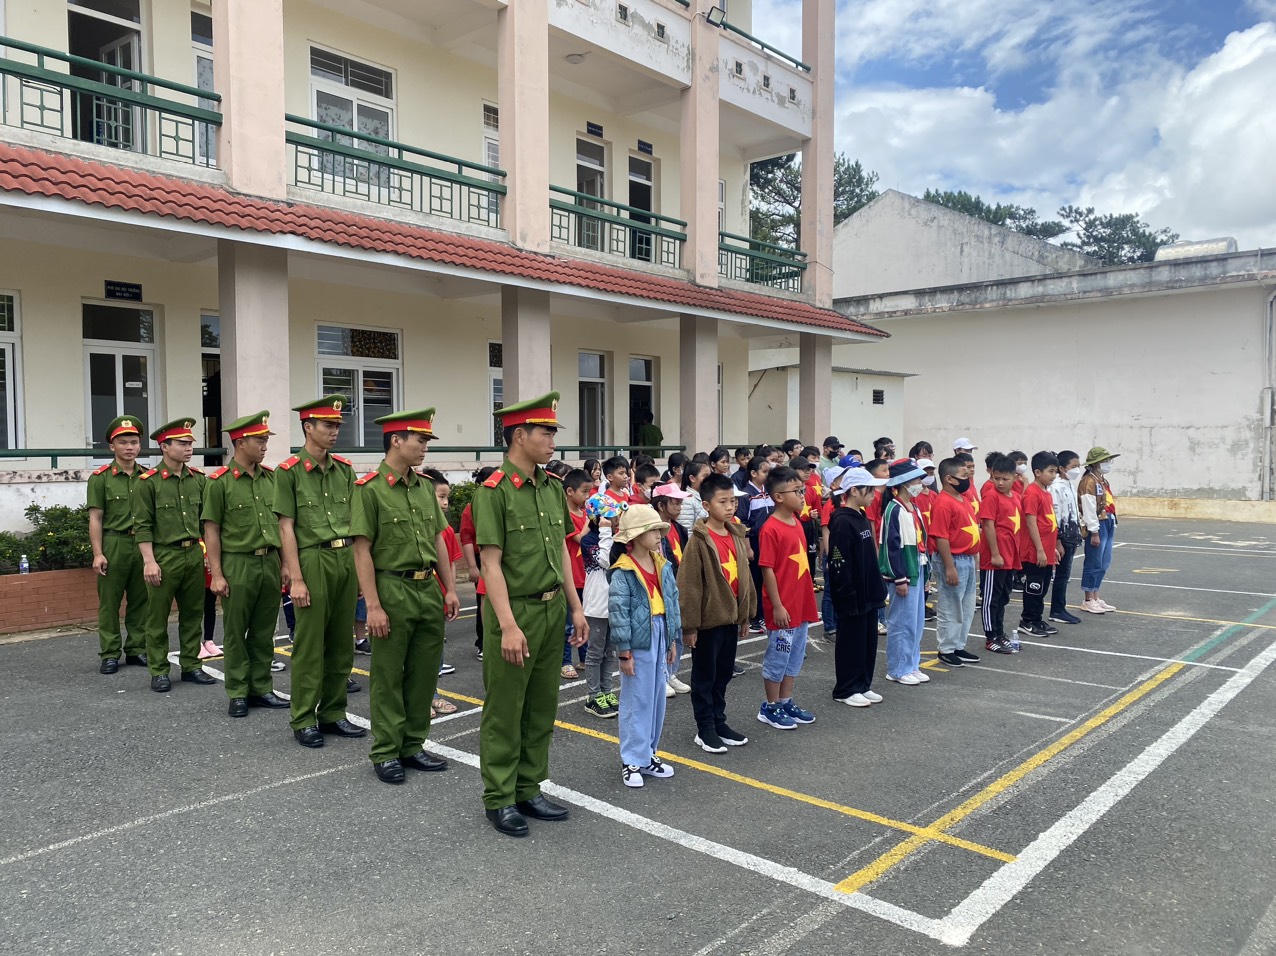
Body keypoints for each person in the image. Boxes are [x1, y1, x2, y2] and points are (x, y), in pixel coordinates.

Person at [474, 392, 588, 838]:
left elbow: (561, 547)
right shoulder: (494, 492)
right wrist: (505, 625)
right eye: (546, 432)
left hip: (551, 606)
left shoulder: (551, 487)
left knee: (542, 706)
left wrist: (575, 606)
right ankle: (500, 797)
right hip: (515, 609)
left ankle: (529, 786)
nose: (553, 440)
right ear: (519, 435)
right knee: (506, 709)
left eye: (553, 432)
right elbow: (489, 563)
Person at [351, 409, 460, 785]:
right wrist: (373, 606)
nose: (424, 448)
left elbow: (438, 541)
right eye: (420, 440)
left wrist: (448, 588)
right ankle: (386, 750)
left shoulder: (424, 487)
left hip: (428, 586)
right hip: (392, 589)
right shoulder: (370, 490)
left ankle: (413, 744)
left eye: (426, 441)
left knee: (424, 672)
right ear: (396, 440)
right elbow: (361, 550)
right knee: (388, 674)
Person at [274, 395, 365, 749]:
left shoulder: (344, 469)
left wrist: (359, 573)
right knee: (310, 644)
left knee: (342, 643)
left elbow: (356, 524)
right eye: (328, 425)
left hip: (344, 559)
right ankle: (303, 718)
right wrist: (295, 577)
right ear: (308, 427)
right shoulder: (289, 472)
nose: (334, 431)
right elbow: (286, 527)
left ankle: (333, 712)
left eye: (338, 426)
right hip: (312, 559)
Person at [201, 410, 288, 718]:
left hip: (269, 561)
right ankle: (238, 691)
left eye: (266, 440)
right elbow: (211, 530)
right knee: (237, 631)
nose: (265, 446)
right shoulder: (219, 483)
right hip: (238, 563)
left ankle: (262, 688)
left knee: (265, 631)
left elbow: (281, 523)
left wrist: (286, 564)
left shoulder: (271, 478)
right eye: (260, 440)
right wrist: (217, 574)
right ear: (240, 442)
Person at [133, 417, 214, 693]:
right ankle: (159, 670)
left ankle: (192, 665)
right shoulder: (148, 483)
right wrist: (149, 561)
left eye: (190, 443)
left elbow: (207, 521)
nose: (189, 448)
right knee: (157, 616)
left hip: (193, 553)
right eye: (182, 443)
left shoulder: (198, 480)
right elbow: (142, 525)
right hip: (164, 556)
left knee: (193, 613)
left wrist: (208, 554)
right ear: (164, 447)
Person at [678, 472, 755, 754]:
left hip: (730, 619)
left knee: (723, 673)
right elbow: (689, 585)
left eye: (732, 501)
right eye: (723, 501)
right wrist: (690, 626)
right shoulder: (699, 539)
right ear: (706, 505)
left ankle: (719, 721)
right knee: (704, 676)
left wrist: (744, 615)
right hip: (708, 622)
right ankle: (705, 728)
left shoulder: (735, 533)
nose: (730, 506)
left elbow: (745, 577)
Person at [609, 504, 680, 788]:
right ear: (636, 536)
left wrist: (672, 638)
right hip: (639, 640)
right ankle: (632, 760)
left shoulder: (662, 563)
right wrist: (624, 652)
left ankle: (648, 754)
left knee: (657, 699)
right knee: (636, 700)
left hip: (660, 632)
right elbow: (618, 613)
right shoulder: (623, 571)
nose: (659, 534)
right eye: (652, 530)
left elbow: (672, 602)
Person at [755, 466, 820, 730]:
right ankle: (770, 706)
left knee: (795, 655)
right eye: (797, 491)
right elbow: (767, 569)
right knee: (778, 656)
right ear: (778, 496)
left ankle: (785, 700)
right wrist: (778, 606)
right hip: (783, 607)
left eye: (802, 490)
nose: (803, 496)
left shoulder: (797, 522)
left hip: (801, 602)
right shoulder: (770, 528)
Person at [87, 415, 148, 675]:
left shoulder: (147, 477)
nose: (129, 447)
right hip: (115, 542)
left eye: (133, 442)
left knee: (141, 600)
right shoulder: (101, 478)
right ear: (112, 446)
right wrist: (98, 553)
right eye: (122, 442)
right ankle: (110, 653)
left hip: (143, 544)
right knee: (110, 603)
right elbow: (96, 518)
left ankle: (136, 648)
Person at [826, 467, 890, 701]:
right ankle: (845, 688)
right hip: (852, 595)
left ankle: (863, 684)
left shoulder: (861, 517)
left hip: (868, 593)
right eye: (869, 489)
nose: (874, 494)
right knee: (850, 643)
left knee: (867, 642)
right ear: (854, 490)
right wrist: (846, 594)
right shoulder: (842, 522)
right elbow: (839, 562)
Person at [877, 461, 929, 691]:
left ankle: (911, 664)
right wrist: (899, 578)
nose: (920, 484)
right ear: (903, 484)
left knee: (916, 623)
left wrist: (926, 574)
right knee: (901, 623)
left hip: (917, 569)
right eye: (916, 480)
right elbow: (891, 547)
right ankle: (898, 668)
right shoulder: (894, 509)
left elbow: (921, 542)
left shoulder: (913, 507)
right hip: (904, 574)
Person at [929, 457, 982, 668]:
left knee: (967, 606)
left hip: (967, 559)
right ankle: (946, 648)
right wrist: (949, 566)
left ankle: (958, 644)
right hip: (953, 559)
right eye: (963, 475)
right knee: (951, 606)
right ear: (949, 479)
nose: (968, 478)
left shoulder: (963, 499)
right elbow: (941, 537)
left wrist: (974, 558)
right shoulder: (943, 503)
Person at [421, 468, 462, 715]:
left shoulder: (445, 530)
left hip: (437, 594)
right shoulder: (420, 525)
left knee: (434, 647)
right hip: (415, 592)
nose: (445, 502)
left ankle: (432, 693)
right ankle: (418, 698)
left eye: (447, 497)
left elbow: (451, 563)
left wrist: (451, 591)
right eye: (440, 497)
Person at [581, 492, 624, 718]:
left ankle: (607, 691)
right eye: (609, 517)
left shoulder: (616, 537)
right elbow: (606, 561)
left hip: (614, 602)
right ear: (597, 519)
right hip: (597, 604)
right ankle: (593, 695)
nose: (615, 520)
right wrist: (606, 531)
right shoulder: (589, 540)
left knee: (610, 651)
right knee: (595, 651)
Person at [978, 454, 1022, 655]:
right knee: (990, 599)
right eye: (997, 478)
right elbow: (987, 524)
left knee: (1003, 597)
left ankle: (999, 632)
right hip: (995, 558)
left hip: (1010, 557)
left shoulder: (1016, 497)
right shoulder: (991, 496)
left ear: (1014, 477)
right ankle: (990, 637)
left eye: (1005, 478)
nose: (1001, 482)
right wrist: (995, 554)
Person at [651, 481, 691, 697]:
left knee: (676, 631)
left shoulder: (679, 529)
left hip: (676, 586)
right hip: (658, 589)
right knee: (662, 634)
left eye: (680, 503)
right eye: (674, 503)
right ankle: (660, 676)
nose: (679, 507)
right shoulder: (652, 529)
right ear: (660, 505)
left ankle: (671, 673)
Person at [1017, 451, 1063, 639]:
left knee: (1043, 586)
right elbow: (1031, 522)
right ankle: (1027, 620)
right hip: (1034, 551)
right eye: (1050, 471)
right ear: (1037, 472)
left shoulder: (1046, 492)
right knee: (1034, 586)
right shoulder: (1032, 493)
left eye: (1055, 472)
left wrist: (1052, 547)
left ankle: (1037, 618)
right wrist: (1040, 550)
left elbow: (1048, 523)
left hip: (1045, 550)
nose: (1053, 476)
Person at [460, 466, 497, 662]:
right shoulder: (473, 506)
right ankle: (483, 642)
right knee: (483, 600)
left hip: (499, 558)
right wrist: (472, 567)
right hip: (481, 558)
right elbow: (466, 537)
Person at [735, 455, 774, 634]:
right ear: (753, 473)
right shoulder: (746, 495)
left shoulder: (769, 492)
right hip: (755, 542)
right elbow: (743, 523)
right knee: (756, 580)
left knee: (767, 579)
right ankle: (755, 618)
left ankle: (764, 614)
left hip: (769, 541)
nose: (767, 475)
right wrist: (748, 547)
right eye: (764, 471)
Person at [1078, 446, 1120, 614]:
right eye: (1105, 461)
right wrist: (1094, 531)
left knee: (1104, 562)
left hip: (1107, 521)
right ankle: (1088, 598)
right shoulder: (1089, 481)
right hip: (1097, 524)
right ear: (1096, 463)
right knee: (1094, 561)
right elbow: (1088, 509)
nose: (1109, 463)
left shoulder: (1101, 479)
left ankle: (1096, 596)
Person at [561, 468, 593, 678]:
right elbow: (580, 539)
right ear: (570, 491)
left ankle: (584, 658)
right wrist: (593, 521)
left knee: (585, 620)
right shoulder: (567, 515)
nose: (588, 497)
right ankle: (565, 661)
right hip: (571, 576)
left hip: (586, 575)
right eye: (584, 492)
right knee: (567, 623)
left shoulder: (584, 513)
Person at [1049, 450, 1085, 625]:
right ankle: (1056, 609)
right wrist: (1058, 541)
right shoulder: (1055, 487)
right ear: (1062, 468)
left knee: (1065, 574)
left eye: (1078, 466)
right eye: (1073, 466)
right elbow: (1056, 515)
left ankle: (1060, 608)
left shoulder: (1069, 484)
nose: (1077, 470)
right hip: (1062, 537)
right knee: (1061, 575)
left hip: (1071, 535)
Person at [677, 460, 710, 531]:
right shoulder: (686, 501)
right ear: (692, 478)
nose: (709, 479)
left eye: (710, 476)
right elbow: (686, 532)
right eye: (705, 476)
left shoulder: (704, 496)